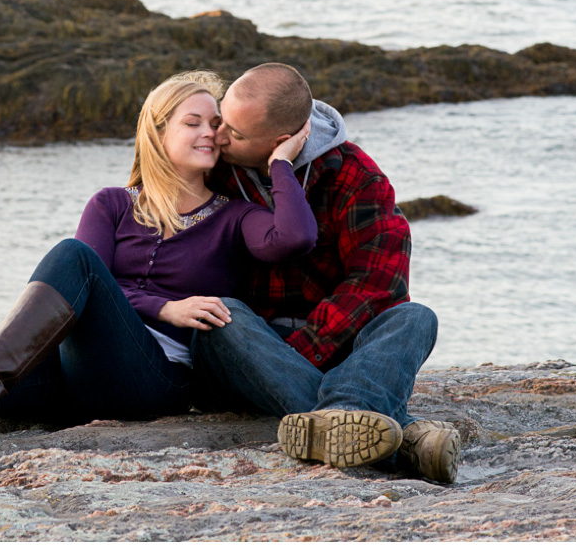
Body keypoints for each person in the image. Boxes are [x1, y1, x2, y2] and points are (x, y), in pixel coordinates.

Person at [0, 70, 333, 462]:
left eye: (216, 124)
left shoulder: (236, 216)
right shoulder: (111, 205)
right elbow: (79, 299)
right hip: (76, 375)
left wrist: (280, 161)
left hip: (152, 380)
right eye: (193, 122)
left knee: (72, 260)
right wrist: (164, 303)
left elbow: (296, 237)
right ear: (158, 133)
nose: (210, 133)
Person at [194, 62, 462, 483]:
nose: (218, 136)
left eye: (237, 134)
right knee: (220, 317)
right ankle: (399, 434)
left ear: (280, 142)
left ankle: (343, 414)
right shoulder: (210, 169)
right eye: (222, 120)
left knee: (415, 317)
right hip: (255, 344)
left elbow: (380, 283)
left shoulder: (356, 175)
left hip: (337, 343)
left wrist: (299, 357)